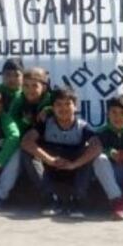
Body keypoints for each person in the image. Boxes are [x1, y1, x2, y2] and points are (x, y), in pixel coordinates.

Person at [21, 86, 102, 218]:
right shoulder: (46, 124)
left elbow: (97, 146)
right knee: (27, 153)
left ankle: (78, 200)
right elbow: (26, 141)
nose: (63, 108)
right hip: (50, 168)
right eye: (58, 104)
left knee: (92, 154)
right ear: (52, 107)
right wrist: (50, 160)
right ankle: (51, 199)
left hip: (74, 169)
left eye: (67, 104)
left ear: (75, 106)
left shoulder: (82, 126)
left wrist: (74, 164)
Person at [8, 67, 51, 133]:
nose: (30, 89)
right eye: (26, 85)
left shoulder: (51, 99)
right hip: (25, 136)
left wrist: (48, 110)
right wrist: (25, 121)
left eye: (35, 86)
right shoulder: (18, 100)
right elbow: (10, 124)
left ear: (44, 87)